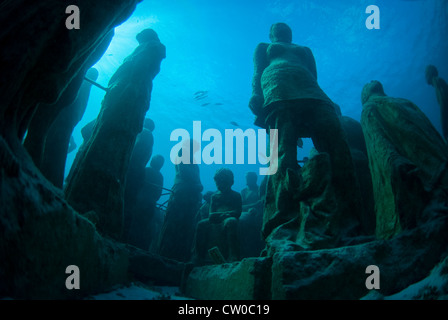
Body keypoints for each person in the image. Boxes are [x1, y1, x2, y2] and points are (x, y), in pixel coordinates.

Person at [249, 22, 361, 240]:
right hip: (276, 88)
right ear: (271, 34)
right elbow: (257, 71)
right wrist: (255, 94)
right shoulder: (264, 46)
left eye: (285, 28)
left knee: (338, 146)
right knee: (282, 153)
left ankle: (350, 215)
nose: (281, 30)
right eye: (276, 29)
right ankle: (283, 219)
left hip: (311, 89)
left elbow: (314, 74)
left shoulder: (305, 49)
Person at [361, 80, 448, 238]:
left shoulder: (368, 109)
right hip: (440, 167)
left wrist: (395, 162)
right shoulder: (405, 102)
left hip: (421, 182)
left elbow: (379, 145)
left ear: (365, 96)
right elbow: (433, 133)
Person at [192, 168, 242, 265]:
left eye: (222, 181)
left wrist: (228, 214)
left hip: (228, 219)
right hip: (217, 220)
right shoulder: (214, 197)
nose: (219, 184)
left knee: (231, 221)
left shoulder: (236, 195)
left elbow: (238, 212)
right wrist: (224, 214)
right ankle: (198, 256)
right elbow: (211, 215)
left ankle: (233, 254)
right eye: (218, 182)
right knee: (201, 224)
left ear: (230, 182)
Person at [426, 65, 448, 141]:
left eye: (426, 73)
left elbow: (443, 103)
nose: (425, 77)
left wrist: (444, 127)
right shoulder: (438, 81)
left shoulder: (437, 81)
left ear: (430, 73)